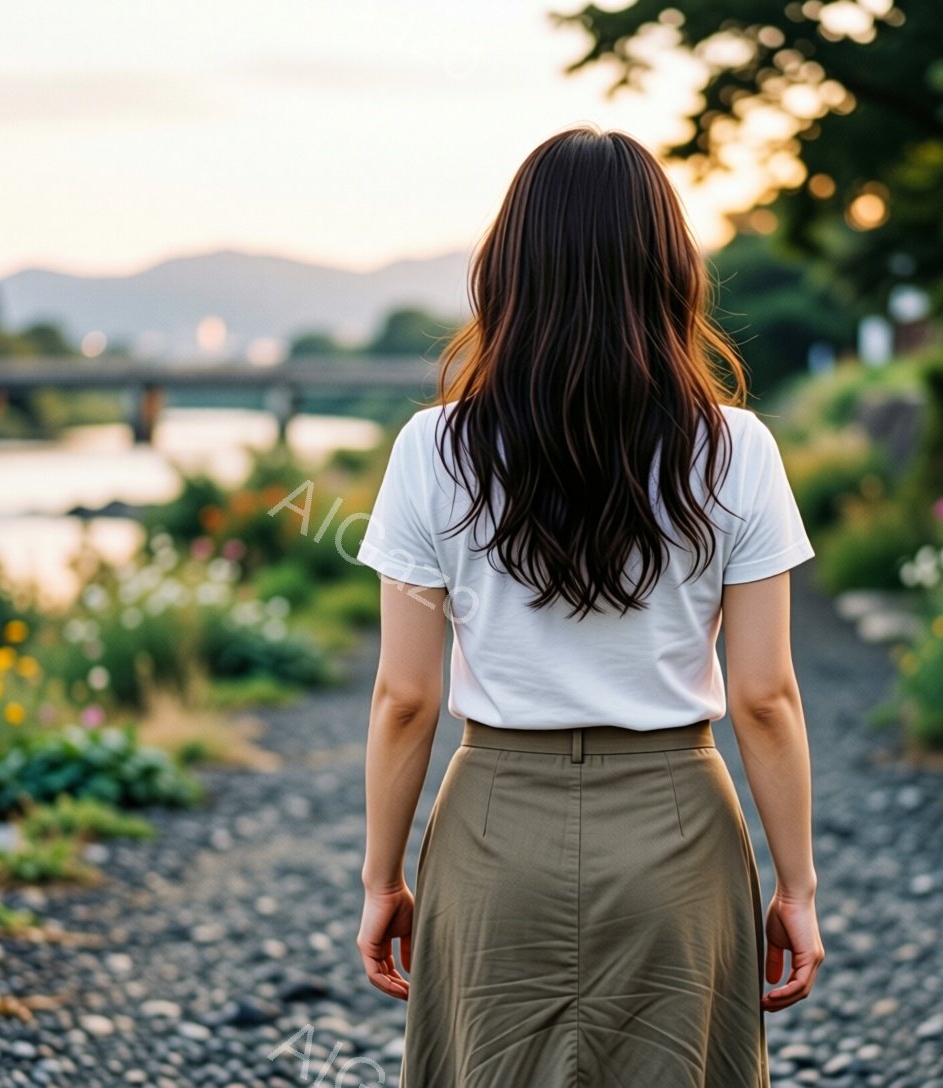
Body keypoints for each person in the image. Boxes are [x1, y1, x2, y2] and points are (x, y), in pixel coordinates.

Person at [352, 126, 823, 1087]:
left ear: (508, 269)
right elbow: (765, 695)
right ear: (670, 271)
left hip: (492, 834)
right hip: (677, 836)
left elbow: (406, 697)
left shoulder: (432, 450)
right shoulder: (737, 450)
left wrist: (381, 880)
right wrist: (798, 888)